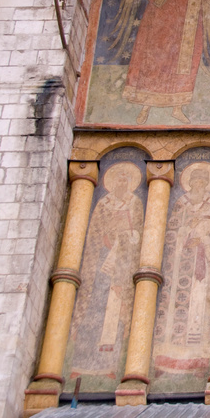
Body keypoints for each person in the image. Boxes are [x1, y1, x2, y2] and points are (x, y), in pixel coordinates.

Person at [67, 162, 144, 390]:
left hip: (122, 263)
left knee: (115, 309)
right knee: (94, 307)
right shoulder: (103, 203)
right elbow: (92, 232)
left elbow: (139, 233)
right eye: (118, 180)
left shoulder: (135, 203)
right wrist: (106, 238)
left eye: (125, 180)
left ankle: (110, 365)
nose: (121, 184)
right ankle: (81, 363)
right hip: (100, 262)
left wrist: (125, 236)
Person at [153, 162, 210, 380]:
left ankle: (199, 360)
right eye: (196, 181)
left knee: (200, 305)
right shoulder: (181, 203)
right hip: (179, 265)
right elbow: (171, 228)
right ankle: (167, 358)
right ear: (190, 183)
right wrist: (185, 233)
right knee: (175, 306)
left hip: (203, 261)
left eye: (203, 182)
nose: (199, 185)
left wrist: (201, 236)